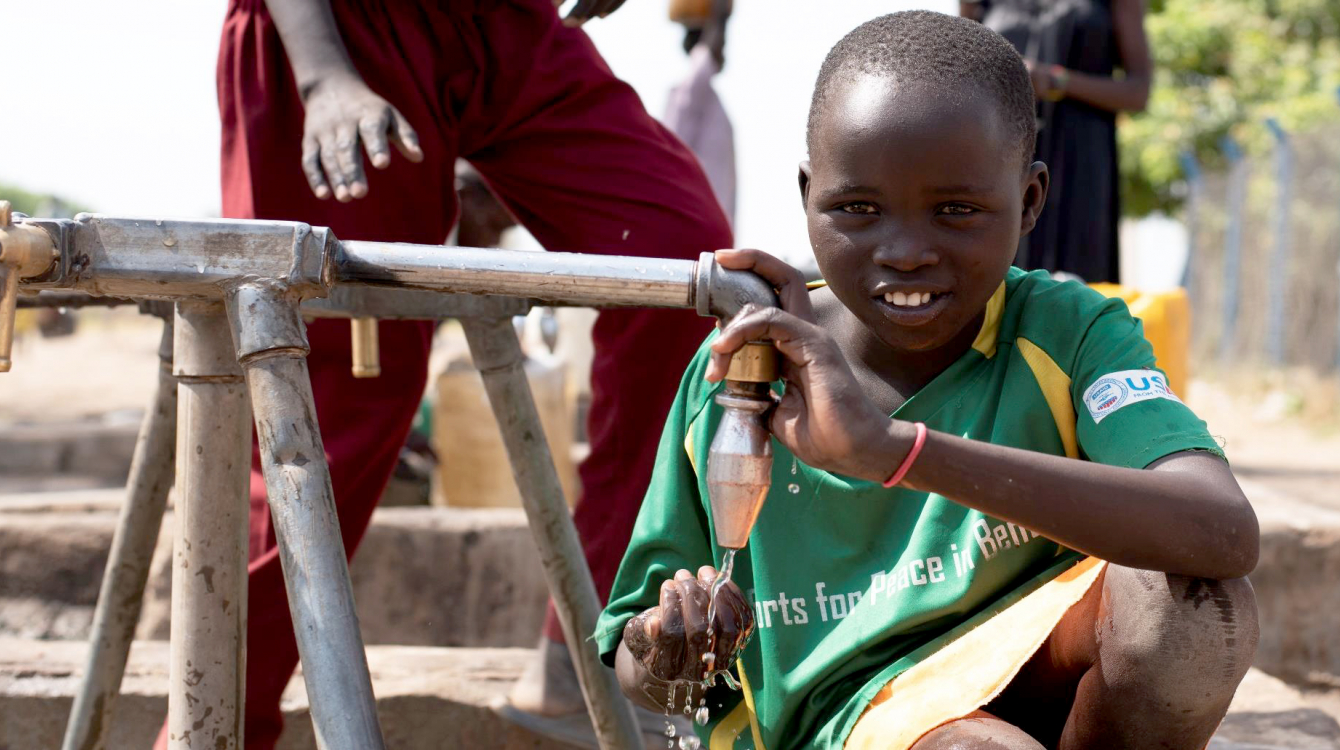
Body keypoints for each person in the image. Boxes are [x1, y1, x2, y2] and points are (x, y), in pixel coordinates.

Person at [596, 11, 1258, 750]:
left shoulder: (1068, 334)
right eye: (857, 208)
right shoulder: (743, 372)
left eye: (956, 211)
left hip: (1037, 671)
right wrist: (668, 645)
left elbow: (1221, 528)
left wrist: (895, 452)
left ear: (1031, 201)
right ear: (807, 194)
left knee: (1189, 610)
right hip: (845, 721)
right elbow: (635, 655)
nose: (906, 251)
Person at [154, 0, 731, 747]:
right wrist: (323, 76)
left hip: (503, 23)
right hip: (341, 33)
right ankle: (213, 730)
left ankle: (586, 652)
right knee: (329, 403)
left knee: (675, 269)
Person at [960, 0, 1152, 284]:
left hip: (1082, 164)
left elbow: (1138, 91)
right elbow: (961, 77)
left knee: (1081, 281)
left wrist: (1055, 81)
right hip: (1003, 156)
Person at [663, 0, 735, 226]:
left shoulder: (705, 98)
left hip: (708, 222)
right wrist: (719, 19)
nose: (723, 46)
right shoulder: (690, 93)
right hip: (689, 220)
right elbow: (705, 58)